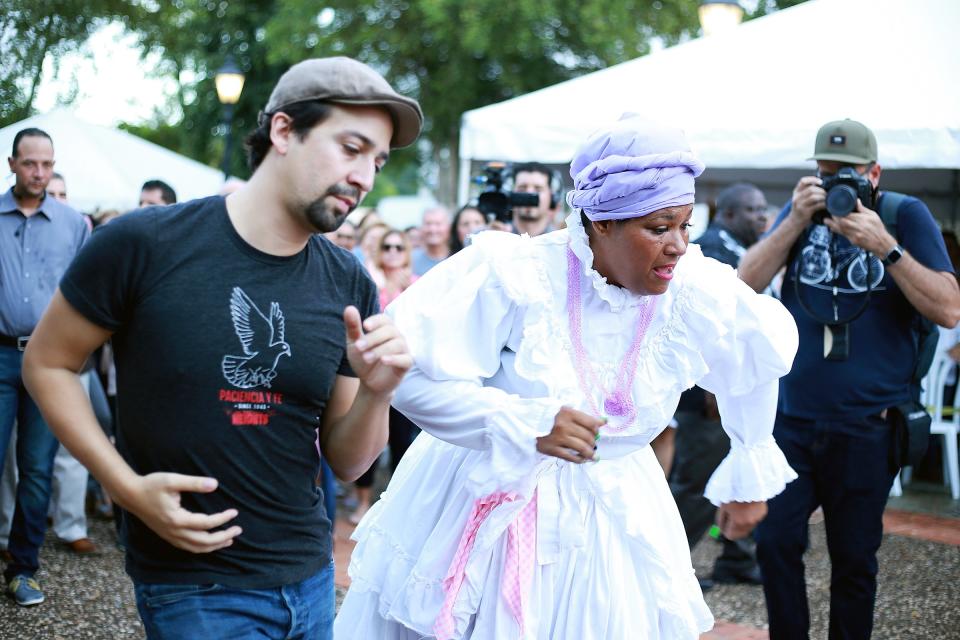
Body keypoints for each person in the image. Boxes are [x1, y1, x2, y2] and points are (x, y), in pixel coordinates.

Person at [334, 115, 799, 639]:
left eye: (685, 224)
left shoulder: (697, 288)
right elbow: (406, 374)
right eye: (658, 227)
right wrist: (517, 422)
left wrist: (749, 458)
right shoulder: (515, 273)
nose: (678, 245)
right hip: (491, 494)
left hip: (620, 511)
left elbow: (756, 357)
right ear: (601, 222)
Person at [22, 56, 422, 638]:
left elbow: (348, 460)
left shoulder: (348, 282)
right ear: (284, 131)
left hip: (310, 579)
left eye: (378, 161)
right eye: (351, 148)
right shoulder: (144, 243)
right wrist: (124, 486)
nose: (365, 176)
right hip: (194, 586)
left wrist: (378, 394)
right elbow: (48, 362)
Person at [738, 119, 960, 640]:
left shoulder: (904, 215)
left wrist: (887, 247)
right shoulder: (801, 215)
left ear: (875, 173)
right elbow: (743, 285)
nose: (836, 185)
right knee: (774, 543)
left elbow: (949, 308)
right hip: (793, 420)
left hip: (869, 425)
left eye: (848, 176)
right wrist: (794, 219)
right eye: (825, 173)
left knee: (854, 560)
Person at [0, 128, 90, 606]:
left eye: (47, 165)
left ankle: (23, 569)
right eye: (31, 163)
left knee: (37, 468)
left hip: (49, 361)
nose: (40, 173)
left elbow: (87, 295)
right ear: (12, 163)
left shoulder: (75, 224)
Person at [669, 182, 769, 592]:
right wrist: (713, 392)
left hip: (738, 391)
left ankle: (736, 558)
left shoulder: (749, 251)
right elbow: (706, 328)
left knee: (739, 473)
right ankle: (671, 564)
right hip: (707, 396)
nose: (761, 216)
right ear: (727, 215)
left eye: (763, 208)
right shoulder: (709, 250)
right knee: (695, 482)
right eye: (751, 209)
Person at [510, 161, 562, 237]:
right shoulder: (496, 237)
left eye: (538, 189)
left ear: (551, 197)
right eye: (522, 188)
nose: (529, 194)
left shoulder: (563, 243)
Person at [411, 206, 451, 275]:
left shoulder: (459, 257)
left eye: (438, 224)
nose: (432, 229)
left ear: (449, 227)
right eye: (428, 224)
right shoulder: (411, 259)